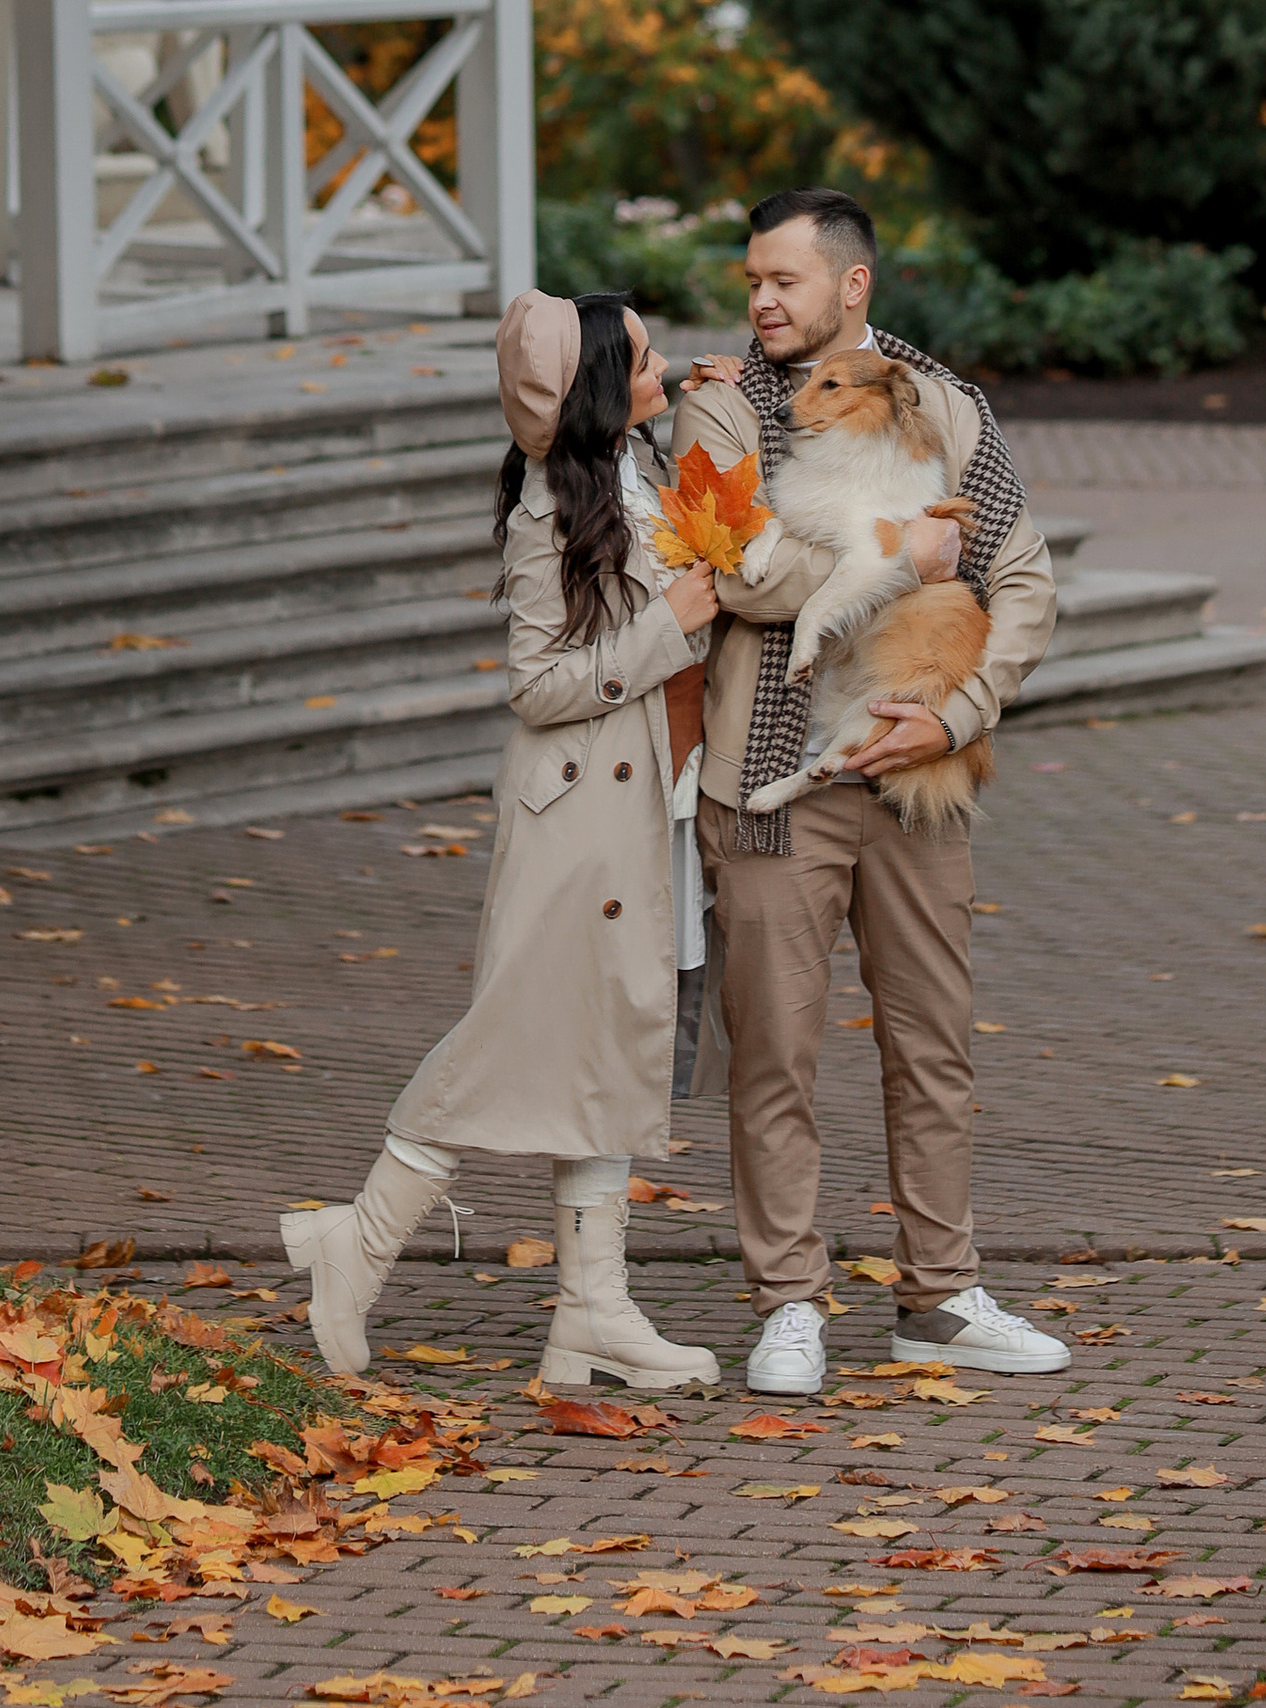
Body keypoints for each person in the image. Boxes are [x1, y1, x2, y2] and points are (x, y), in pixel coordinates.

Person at [280, 286, 722, 1391]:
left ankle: (593, 1311)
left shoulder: (636, 472)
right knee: (508, 1044)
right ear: (595, 393)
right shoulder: (550, 514)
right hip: (577, 825)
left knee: (611, 1043)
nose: (663, 365)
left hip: (643, 810)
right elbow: (539, 687)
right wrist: (672, 631)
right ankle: (359, 1240)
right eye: (644, 358)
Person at [678, 187, 1072, 1395]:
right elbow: (735, 571)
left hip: (914, 780)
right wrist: (902, 554)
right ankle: (788, 1302)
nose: (759, 301)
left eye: (783, 281)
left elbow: (1025, 575)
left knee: (933, 1047)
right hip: (767, 786)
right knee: (773, 1055)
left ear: (851, 287)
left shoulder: (945, 407)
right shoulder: (721, 407)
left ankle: (939, 1297)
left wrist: (954, 712)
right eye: (752, 278)